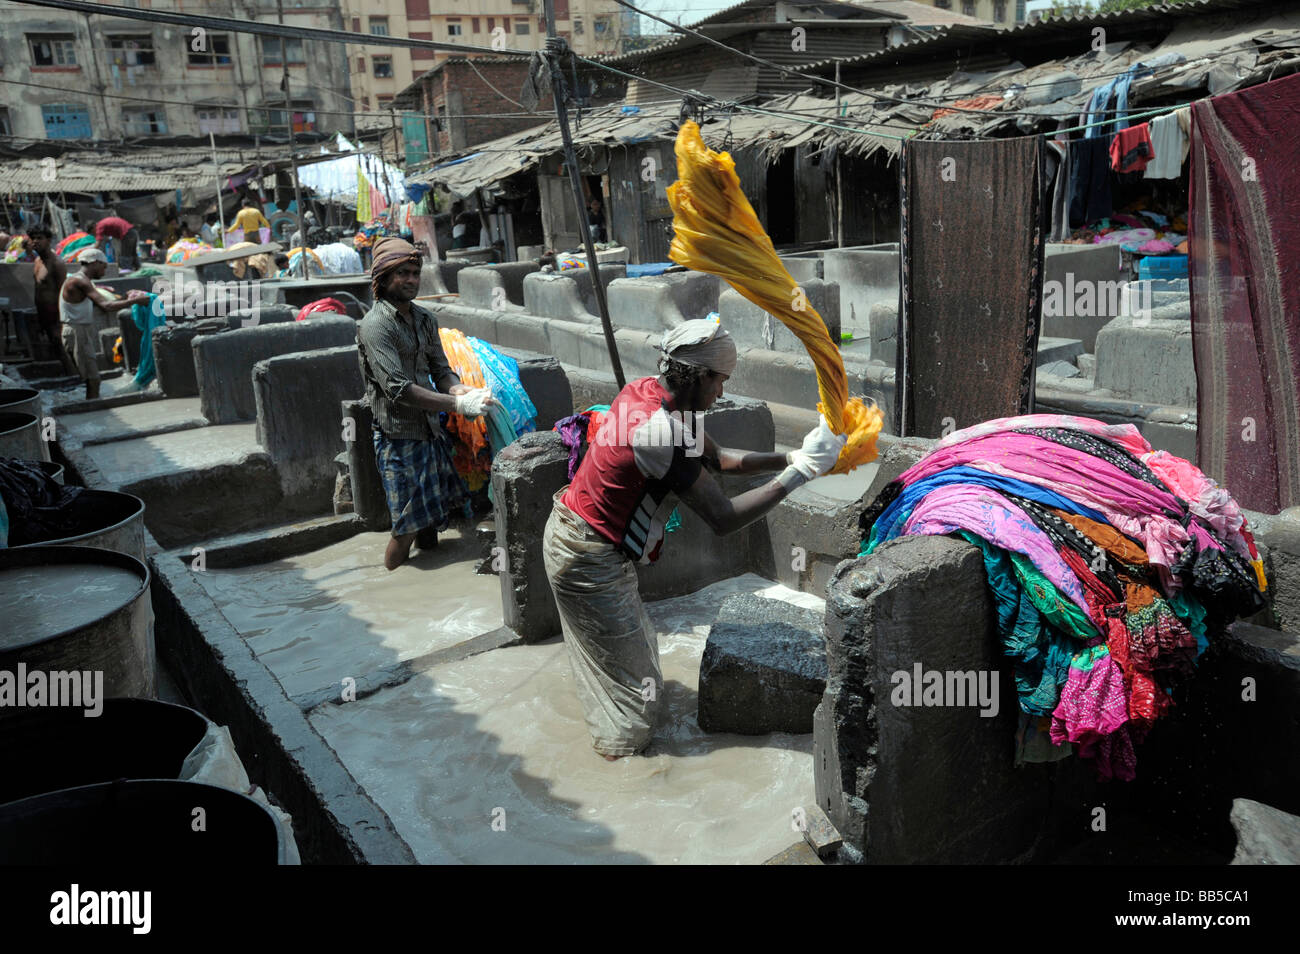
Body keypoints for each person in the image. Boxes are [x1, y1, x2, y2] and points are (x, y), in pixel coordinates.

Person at [542, 319, 846, 760]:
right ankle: (620, 771)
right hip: (586, 555)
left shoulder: (651, 393)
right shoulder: (657, 431)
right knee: (632, 711)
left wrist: (792, 455)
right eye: (719, 381)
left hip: (584, 541)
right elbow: (722, 517)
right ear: (696, 375)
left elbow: (720, 460)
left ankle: (613, 734)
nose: (721, 393)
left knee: (630, 666)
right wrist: (799, 475)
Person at [356, 237, 500, 571]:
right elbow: (398, 388)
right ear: (382, 278)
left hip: (432, 433)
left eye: (415, 272)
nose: (410, 280)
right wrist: (458, 407)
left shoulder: (425, 320)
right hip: (399, 439)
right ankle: (391, 579)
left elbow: (442, 371)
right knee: (405, 528)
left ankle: (427, 575)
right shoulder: (376, 326)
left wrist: (462, 390)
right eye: (402, 273)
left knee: (433, 520)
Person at [59, 248, 147, 399]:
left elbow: (105, 305)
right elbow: (106, 306)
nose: (105, 270)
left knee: (91, 378)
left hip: (79, 330)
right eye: (104, 266)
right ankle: (92, 415)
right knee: (93, 379)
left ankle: (91, 408)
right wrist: (135, 301)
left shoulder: (82, 281)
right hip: (76, 331)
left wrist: (126, 297)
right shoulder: (80, 281)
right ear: (95, 263)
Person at [26, 226, 73, 374]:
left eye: (39, 238)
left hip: (56, 314)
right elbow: (38, 289)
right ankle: (70, 379)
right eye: (32, 238)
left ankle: (77, 379)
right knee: (56, 349)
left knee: (63, 348)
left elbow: (63, 293)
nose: (35, 241)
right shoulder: (38, 261)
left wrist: (62, 320)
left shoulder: (56, 263)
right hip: (44, 313)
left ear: (49, 240)